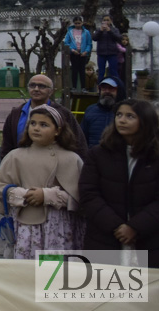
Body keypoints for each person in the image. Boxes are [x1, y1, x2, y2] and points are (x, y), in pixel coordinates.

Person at [0, 105, 85, 259]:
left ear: (58, 130)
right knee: (26, 269)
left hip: (57, 225)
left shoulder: (71, 159)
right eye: (33, 123)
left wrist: (48, 196)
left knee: (53, 271)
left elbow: (81, 197)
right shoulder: (16, 156)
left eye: (44, 125)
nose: (36, 128)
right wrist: (24, 194)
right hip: (25, 223)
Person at [78, 99, 159, 268]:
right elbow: (89, 193)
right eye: (119, 115)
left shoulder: (155, 156)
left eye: (130, 116)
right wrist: (116, 227)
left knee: (146, 291)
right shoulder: (98, 154)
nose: (121, 120)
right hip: (104, 238)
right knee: (106, 288)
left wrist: (135, 227)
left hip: (149, 241)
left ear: (145, 120)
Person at [0, 73, 82, 159]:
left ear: (51, 91)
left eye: (42, 86)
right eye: (32, 85)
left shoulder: (63, 114)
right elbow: (7, 144)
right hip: (21, 164)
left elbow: (78, 143)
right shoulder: (16, 113)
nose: (36, 89)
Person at [81, 78, 121, 149]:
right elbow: (82, 138)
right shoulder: (90, 110)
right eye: (104, 89)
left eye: (111, 89)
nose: (107, 92)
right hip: (93, 157)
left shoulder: (123, 112)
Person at [64, 16, 92, 91]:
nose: (77, 25)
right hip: (74, 54)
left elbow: (89, 43)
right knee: (74, 70)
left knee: (82, 71)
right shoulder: (70, 32)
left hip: (83, 54)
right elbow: (66, 43)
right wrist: (72, 50)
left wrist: (86, 51)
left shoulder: (86, 32)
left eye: (79, 23)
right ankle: (74, 87)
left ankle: (83, 87)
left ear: (82, 23)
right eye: (76, 23)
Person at [93, 15, 122, 83]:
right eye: (104, 20)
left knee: (113, 71)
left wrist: (110, 31)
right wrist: (100, 31)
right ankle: (100, 87)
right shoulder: (98, 29)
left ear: (111, 21)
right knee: (101, 71)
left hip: (112, 53)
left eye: (107, 20)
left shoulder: (115, 29)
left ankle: (115, 86)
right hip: (101, 53)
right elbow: (94, 38)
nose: (106, 22)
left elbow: (118, 38)